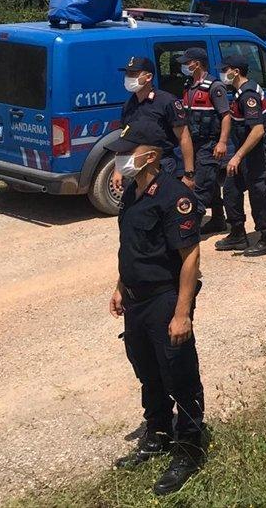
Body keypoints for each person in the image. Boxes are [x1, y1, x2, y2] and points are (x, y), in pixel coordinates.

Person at [108, 134, 206, 496]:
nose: (119, 159)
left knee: (178, 374)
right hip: (136, 300)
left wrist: (183, 313)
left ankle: (189, 449)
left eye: (125, 153)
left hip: (165, 300)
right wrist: (120, 286)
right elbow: (132, 247)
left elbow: (190, 258)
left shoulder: (174, 197)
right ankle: (159, 434)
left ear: (150, 156)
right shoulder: (133, 191)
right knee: (148, 373)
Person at [214, 55, 266, 257]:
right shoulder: (239, 91)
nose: (223, 73)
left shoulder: (247, 94)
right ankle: (237, 234)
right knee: (232, 192)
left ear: (236, 71)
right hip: (244, 153)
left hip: (255, 153)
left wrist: (237, 156)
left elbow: (257, 130)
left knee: (259, 195)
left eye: (226, 69)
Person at [114, 57, 194, 191]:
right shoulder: (128, 104)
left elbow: (184, 137)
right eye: (127, 74)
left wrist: (189, 174)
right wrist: (118, 170)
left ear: (148, 77)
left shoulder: (167, 102)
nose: (128, 78)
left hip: (162, 164)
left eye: (133, 74)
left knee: (160, 205)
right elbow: (124, 138)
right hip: (134, 165)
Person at [178, 48, 232, 235]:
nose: (185, 66)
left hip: (210, 144)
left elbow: (226, 116)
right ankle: (218, 220)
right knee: (212, 184)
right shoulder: (189, 85)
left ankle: (190, 231)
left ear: (197, 64)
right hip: (194, 143)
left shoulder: (215, 87)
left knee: (200, 188)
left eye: (187, 62)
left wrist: (222, 142)